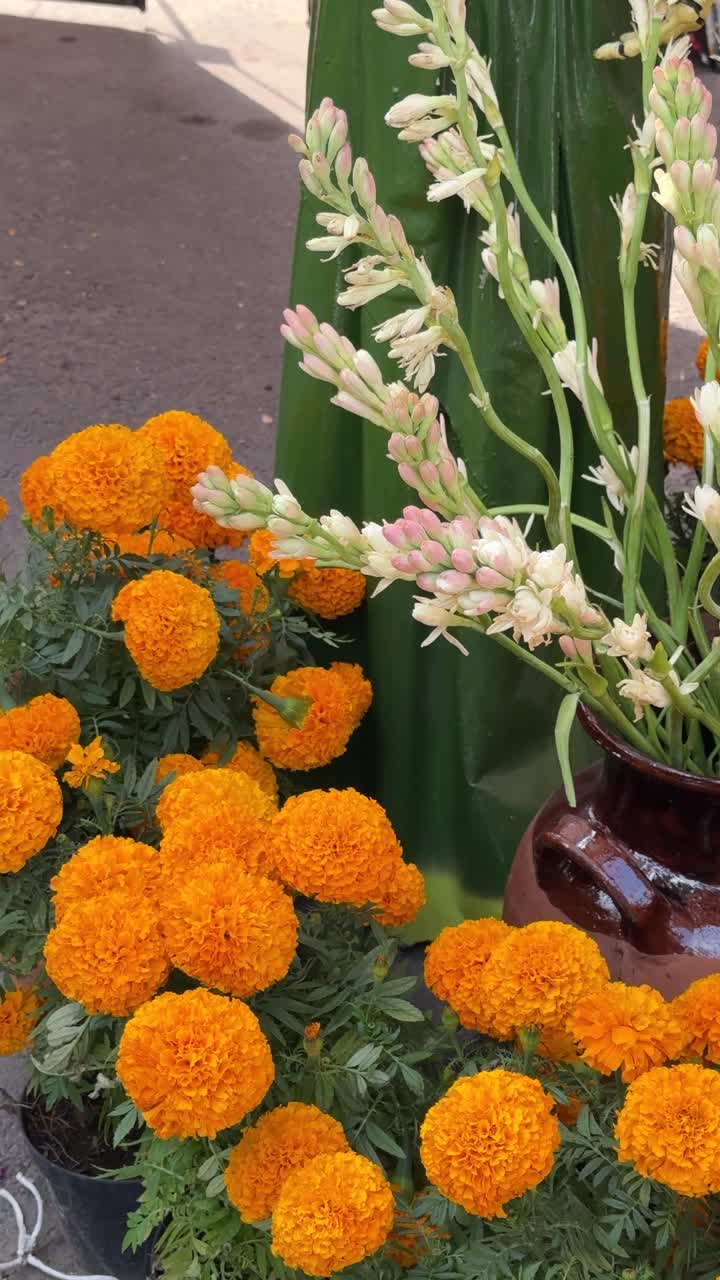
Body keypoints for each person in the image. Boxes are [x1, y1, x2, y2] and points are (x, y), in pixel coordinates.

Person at [276, 0, 668, 938]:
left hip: (566, 38)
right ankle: (446, 832)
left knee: (552, 357)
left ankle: (545, 829)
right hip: (494, 38)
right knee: (446, 350)